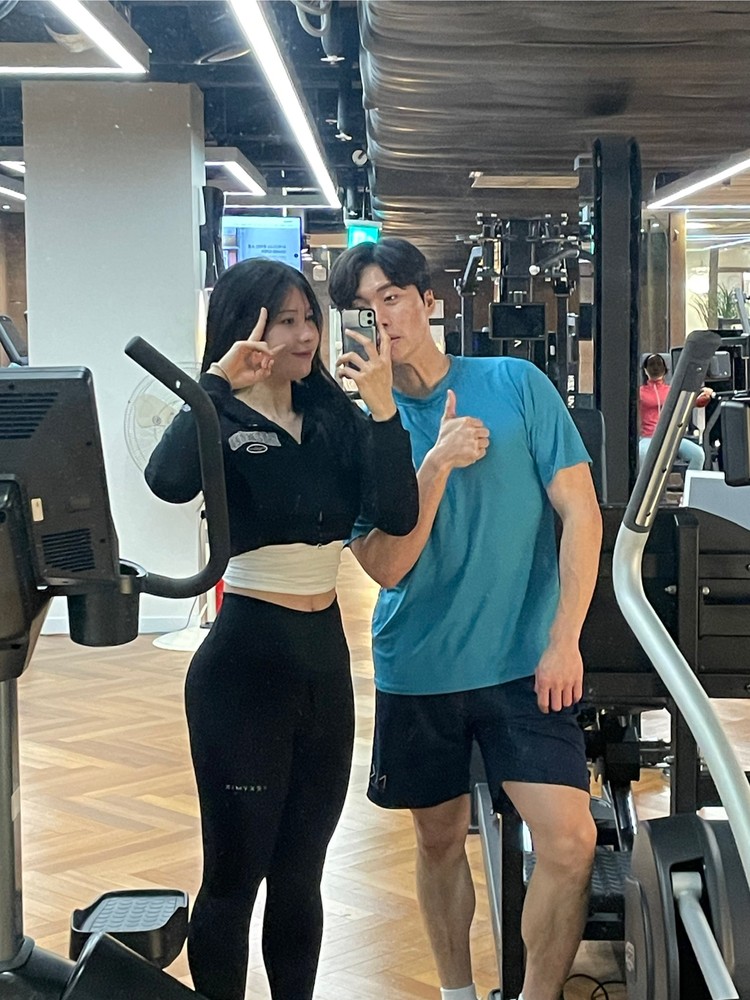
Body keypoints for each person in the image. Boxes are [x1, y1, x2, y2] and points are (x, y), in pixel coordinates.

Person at [328, 237, 603, 1000]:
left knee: (571, 842)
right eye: (362, 308)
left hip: (525, 662)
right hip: (421, 665)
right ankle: (457, 992)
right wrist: (435, 462)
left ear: (428, 300)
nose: (381, 318)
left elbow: (580, 513)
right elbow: (387, 566)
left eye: (391, 298)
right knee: (438, 839)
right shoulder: (355, 435)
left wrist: (565, 638)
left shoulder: (514, 383)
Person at [144, 257, 419, 1000]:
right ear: (248, 329)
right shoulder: (223, 417)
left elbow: (397, 515)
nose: (305, 336)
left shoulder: (335, 416)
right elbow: (166, 481)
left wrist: (385, 413)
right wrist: (214, 384)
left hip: (323, 668)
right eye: (286, 321)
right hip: (243, 671)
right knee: (234, 878)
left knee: (301, 876)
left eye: (310, 319)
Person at [639, 353, 713, 470]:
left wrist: (706, 395)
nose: (655, 367)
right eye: (651, 364)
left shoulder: (673, 391)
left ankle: (689, 481)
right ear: (645, 369)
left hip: (671, 437)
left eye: (659, 364)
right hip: (648, 438)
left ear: (665, 369)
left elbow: (694, 402)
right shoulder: (640, 392)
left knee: (698, 455)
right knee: (642, 456)